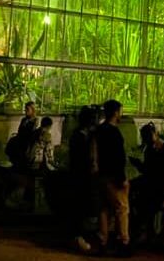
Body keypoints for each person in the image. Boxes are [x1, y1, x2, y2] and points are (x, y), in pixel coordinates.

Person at [91, 99, 131, 257]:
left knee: (103, 209)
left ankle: (103, 242)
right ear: (115, 112)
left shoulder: (98, 130)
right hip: (113, 177)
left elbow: (93, 153)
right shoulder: (114, 133)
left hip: (100, 176)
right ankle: (123, 242)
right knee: (122, 208)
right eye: (120, 111)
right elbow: (118, 158)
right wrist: (122, 178)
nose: (121, 114)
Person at [68, 106, 98, 253]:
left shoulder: (78, 135)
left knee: (80, 207)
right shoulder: (81, 137)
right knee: (80, 207)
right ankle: (78, 237)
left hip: (80, 175)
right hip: (81, 176)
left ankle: (78, 236)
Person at [7, 102, 37, 169]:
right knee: (12, 141)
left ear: (33, 110)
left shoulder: (35, 120)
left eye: (27, 109)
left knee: (20, 144)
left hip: (27, 139)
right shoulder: (24, 119)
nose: (25, 111)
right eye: (25, 109)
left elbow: (31, 131)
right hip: (20, 137)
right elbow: (19, 130)